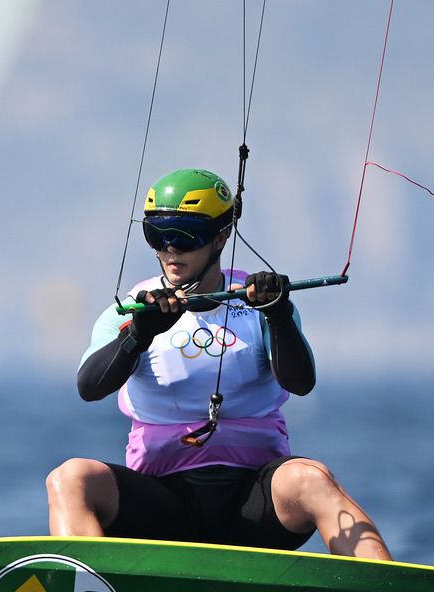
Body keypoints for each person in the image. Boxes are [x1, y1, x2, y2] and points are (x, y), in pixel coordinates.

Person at [47, 168, 391, 560]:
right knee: (70, 478)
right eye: (158, 236)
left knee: (312, 478)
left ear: (221, 235)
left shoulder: (261, 304)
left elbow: (301, 383)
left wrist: (278, 315)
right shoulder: (130, 310)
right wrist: (137, 336)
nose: (171, 250)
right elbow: (89, 388)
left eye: (184, 235)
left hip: (254, 504)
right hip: (163, 506)